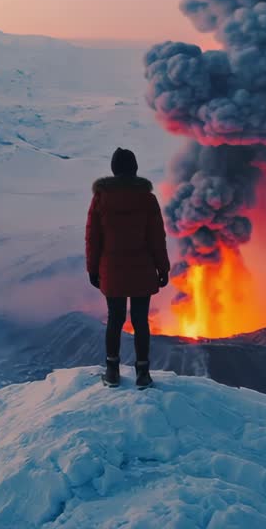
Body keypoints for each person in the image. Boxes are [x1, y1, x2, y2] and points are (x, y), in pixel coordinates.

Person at [85, 147, 170, 389]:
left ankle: (112, 372)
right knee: (141, 320)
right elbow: (157, 237)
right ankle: (143, 374)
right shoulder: (147, 199)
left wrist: (93, 269)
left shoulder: (100, 198)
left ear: (113, 170)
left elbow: (93, 237)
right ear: (134, 169)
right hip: (142, 268)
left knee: (115, 319)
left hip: (112, 270)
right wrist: (162, 267)